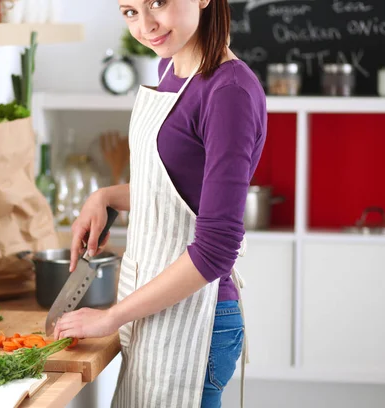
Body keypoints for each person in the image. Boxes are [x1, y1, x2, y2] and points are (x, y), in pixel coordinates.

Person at [53, 0, 267, 407]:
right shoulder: (169, 67)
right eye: (130, 11)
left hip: (199, 320)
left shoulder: (229, 93)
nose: (146, 26)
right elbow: (176, 191)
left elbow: (216, 248)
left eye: (158, 3)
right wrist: (105, 196)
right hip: (154, 310)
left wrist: (112, 316)